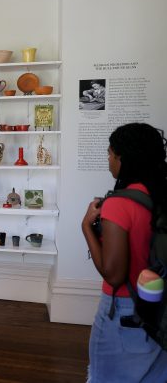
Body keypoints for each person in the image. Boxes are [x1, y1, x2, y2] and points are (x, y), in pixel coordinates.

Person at [82, 122, 167, 382]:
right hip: (159, 305)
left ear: (122, 158)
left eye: (110, 153)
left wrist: (86, 226)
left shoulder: (119, 203)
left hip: (124, 309)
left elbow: (114, 274)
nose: (108, 160)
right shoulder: (160, 195)